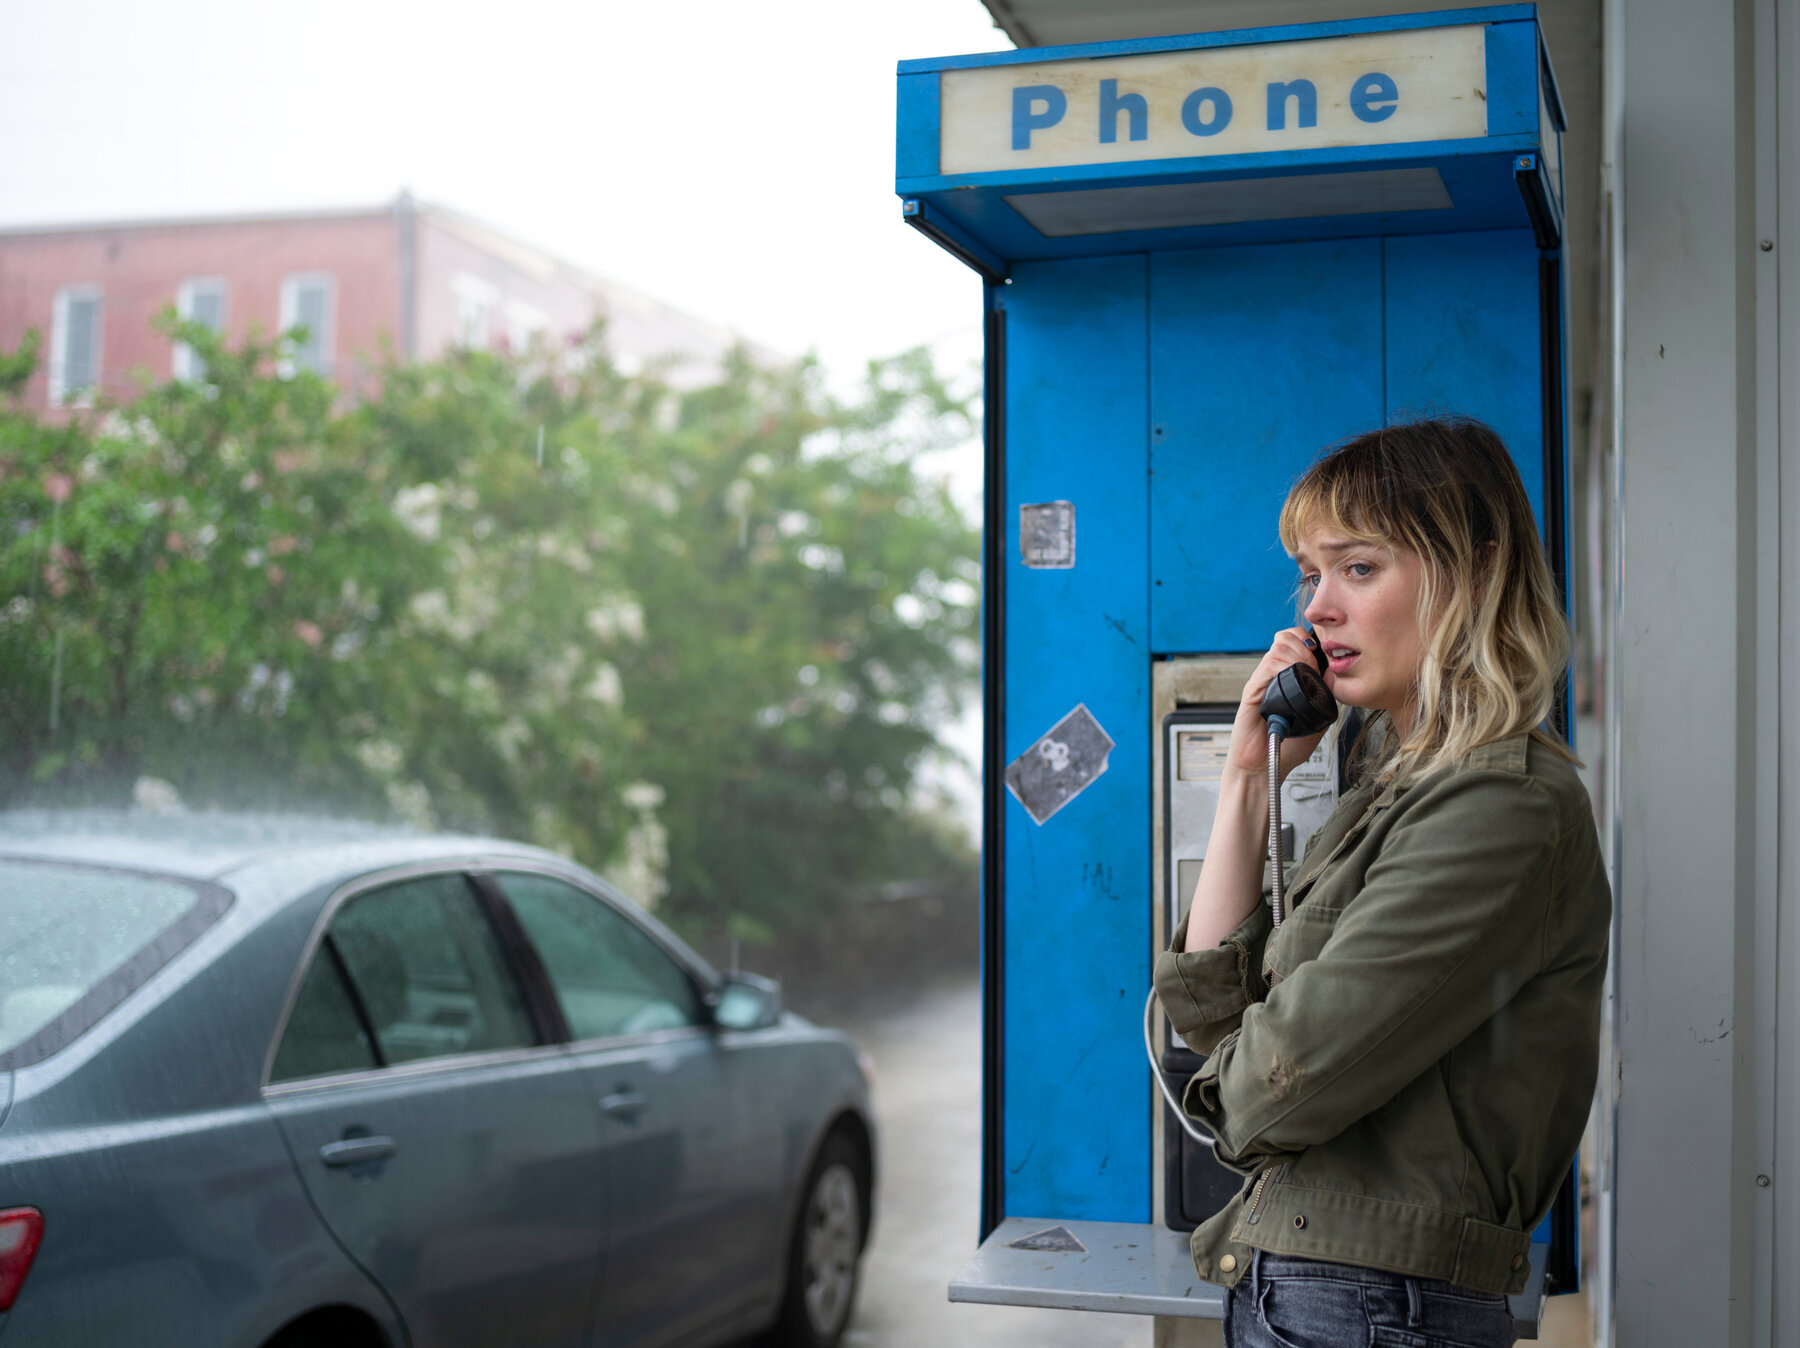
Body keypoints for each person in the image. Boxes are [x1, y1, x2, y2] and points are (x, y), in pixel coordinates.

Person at [1153, 418, 1610, 1348]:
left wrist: (1241, 1069)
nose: (1317, 610)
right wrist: (1247, 779)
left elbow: (1263, 1095)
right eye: (1311, 576)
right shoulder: (1391, 791)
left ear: (1471, 574)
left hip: (1373, 1307)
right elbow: (1206, 1016)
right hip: (1318, 1289)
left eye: (1358, 569)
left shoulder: (1497, 807)